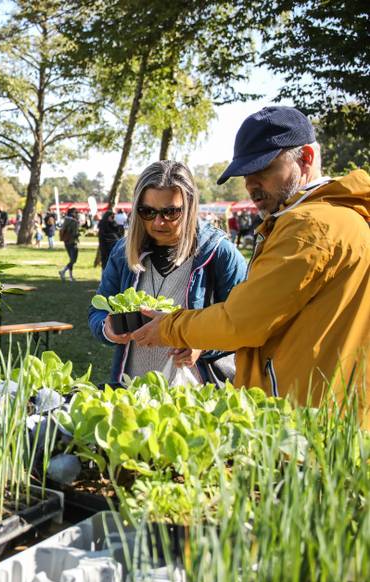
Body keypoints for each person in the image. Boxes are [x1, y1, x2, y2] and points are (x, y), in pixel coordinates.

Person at [132, 107, 370, 420]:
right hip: (324, 408)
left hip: (302, 416)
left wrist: (170, 327)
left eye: (264, 169)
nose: (251, 184)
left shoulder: (310, 225)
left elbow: (240, 323)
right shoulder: (334, 217)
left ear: (306, 158)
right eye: (245, 173)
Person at [89, 160, 247, 385]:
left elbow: (244, 325)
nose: (158, 222)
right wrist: (107, 329)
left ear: (190, 206)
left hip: (194, 397)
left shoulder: (219, 253)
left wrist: (202, 345)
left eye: (170, 212)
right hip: (131, 390)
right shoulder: (123, 253)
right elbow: (97, 310)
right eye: (147, 211)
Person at [58, 208, 80, 281]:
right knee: (73, 260)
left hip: (66, 241)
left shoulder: (66, 220)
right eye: (75, 212)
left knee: (71, 259)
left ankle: (71, 276)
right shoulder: (74, 222)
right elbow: (74, 232)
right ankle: (63, 271)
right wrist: (78, 233)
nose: (77, 214)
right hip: (72, 241)